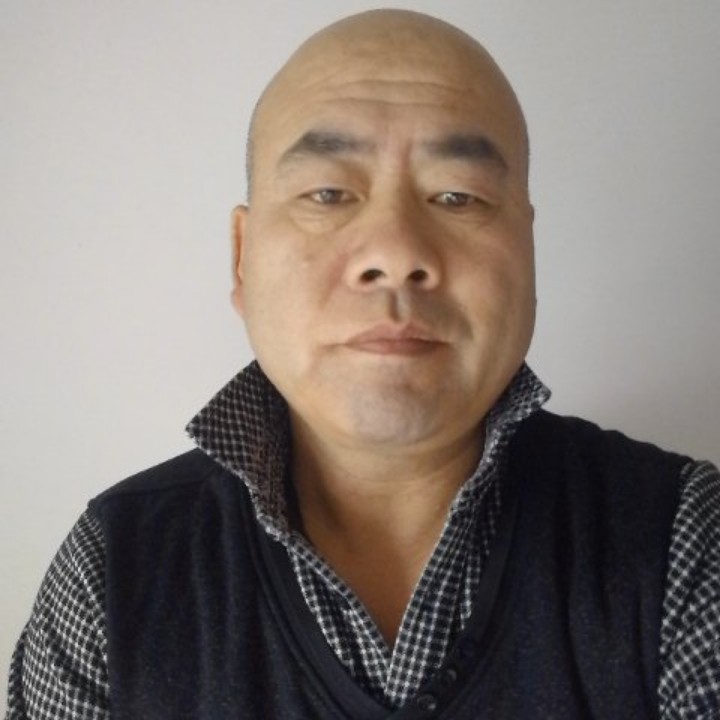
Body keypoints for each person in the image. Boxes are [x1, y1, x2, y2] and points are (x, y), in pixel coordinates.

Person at [6, 9, 719, 719]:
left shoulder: (685, 543)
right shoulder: (113, 572)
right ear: (243, 257)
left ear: (527, 252)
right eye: (327, 193)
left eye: (457, 196)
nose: (395, 252)